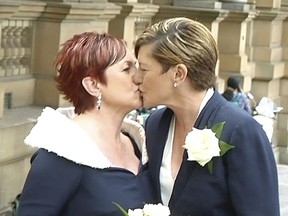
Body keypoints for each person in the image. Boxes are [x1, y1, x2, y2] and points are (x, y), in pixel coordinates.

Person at [133, 17, 280, 215]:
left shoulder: (241, 131)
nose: (136, 78)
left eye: (143, 68)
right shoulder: (156, 123)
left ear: (178, 74)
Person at [18, 32, 157, 215]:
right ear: (93, 85)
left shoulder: (138, 142)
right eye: (127, 69)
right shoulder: (62, 153)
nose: (139, 77)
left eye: (137, 67)